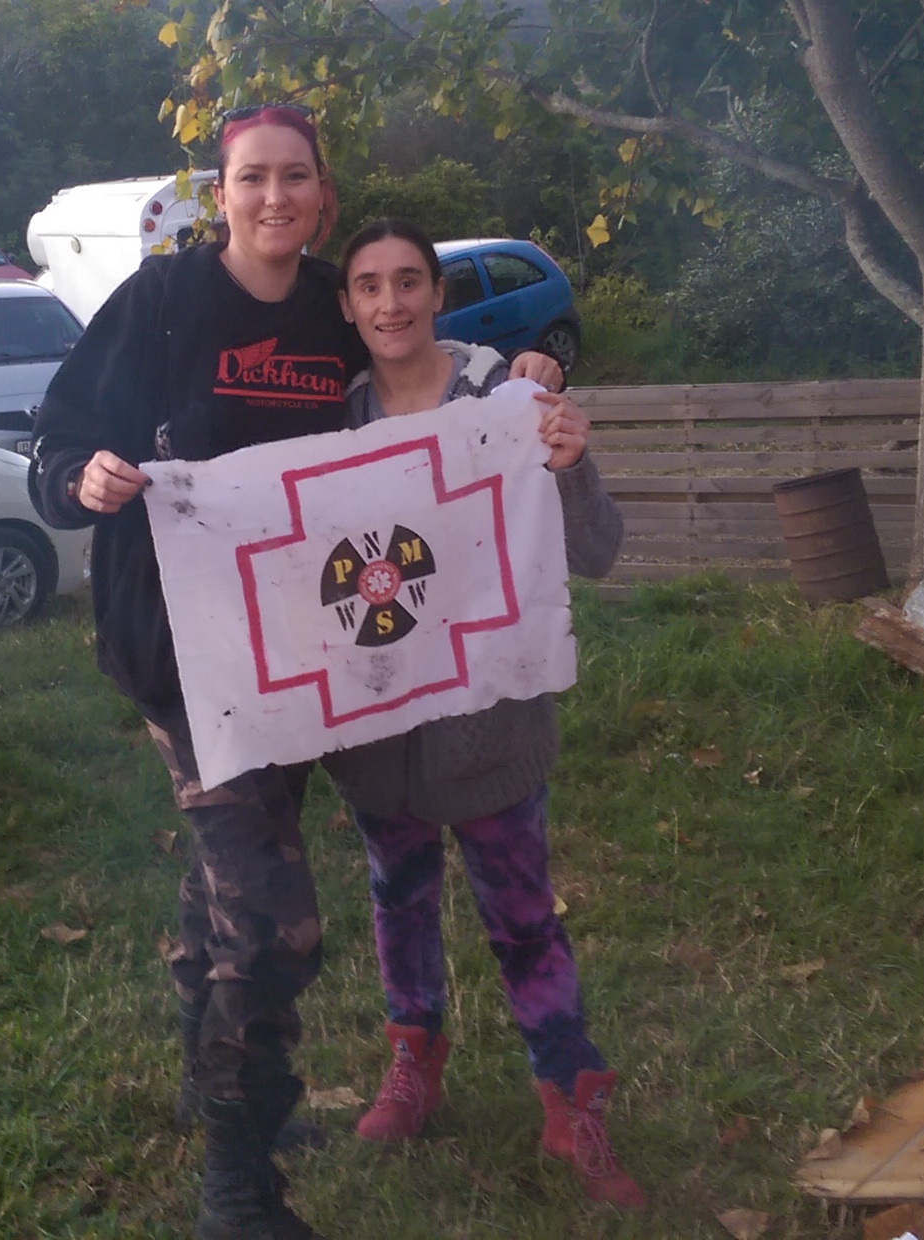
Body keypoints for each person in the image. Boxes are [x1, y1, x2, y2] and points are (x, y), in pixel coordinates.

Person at [28, 109, 562, 1240]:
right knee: (274, 922)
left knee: (227, 876)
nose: (275, 196)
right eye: (252, 177)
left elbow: (423, 371)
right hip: (183, 652)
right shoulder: (164, 300)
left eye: (296, 177)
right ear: (220, 193)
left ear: (323, 193)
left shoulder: (333, 304)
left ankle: (206, 1081)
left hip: (308, 652)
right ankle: (238, 1186)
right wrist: (83, 477)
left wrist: (523, 375)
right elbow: (59, 436)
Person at [319, 217, 646, 1209]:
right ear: (348, 305)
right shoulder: (331, 419)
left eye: (408, 280)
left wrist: (566, 461)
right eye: (369, 284)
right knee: (399, 903)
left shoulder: (503, 398)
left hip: (491, 720)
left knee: (523, 918)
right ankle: (413, 1062)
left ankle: (570, 1098)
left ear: (436, 292)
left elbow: (597, 551)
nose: (390, 302)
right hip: (382, 731)